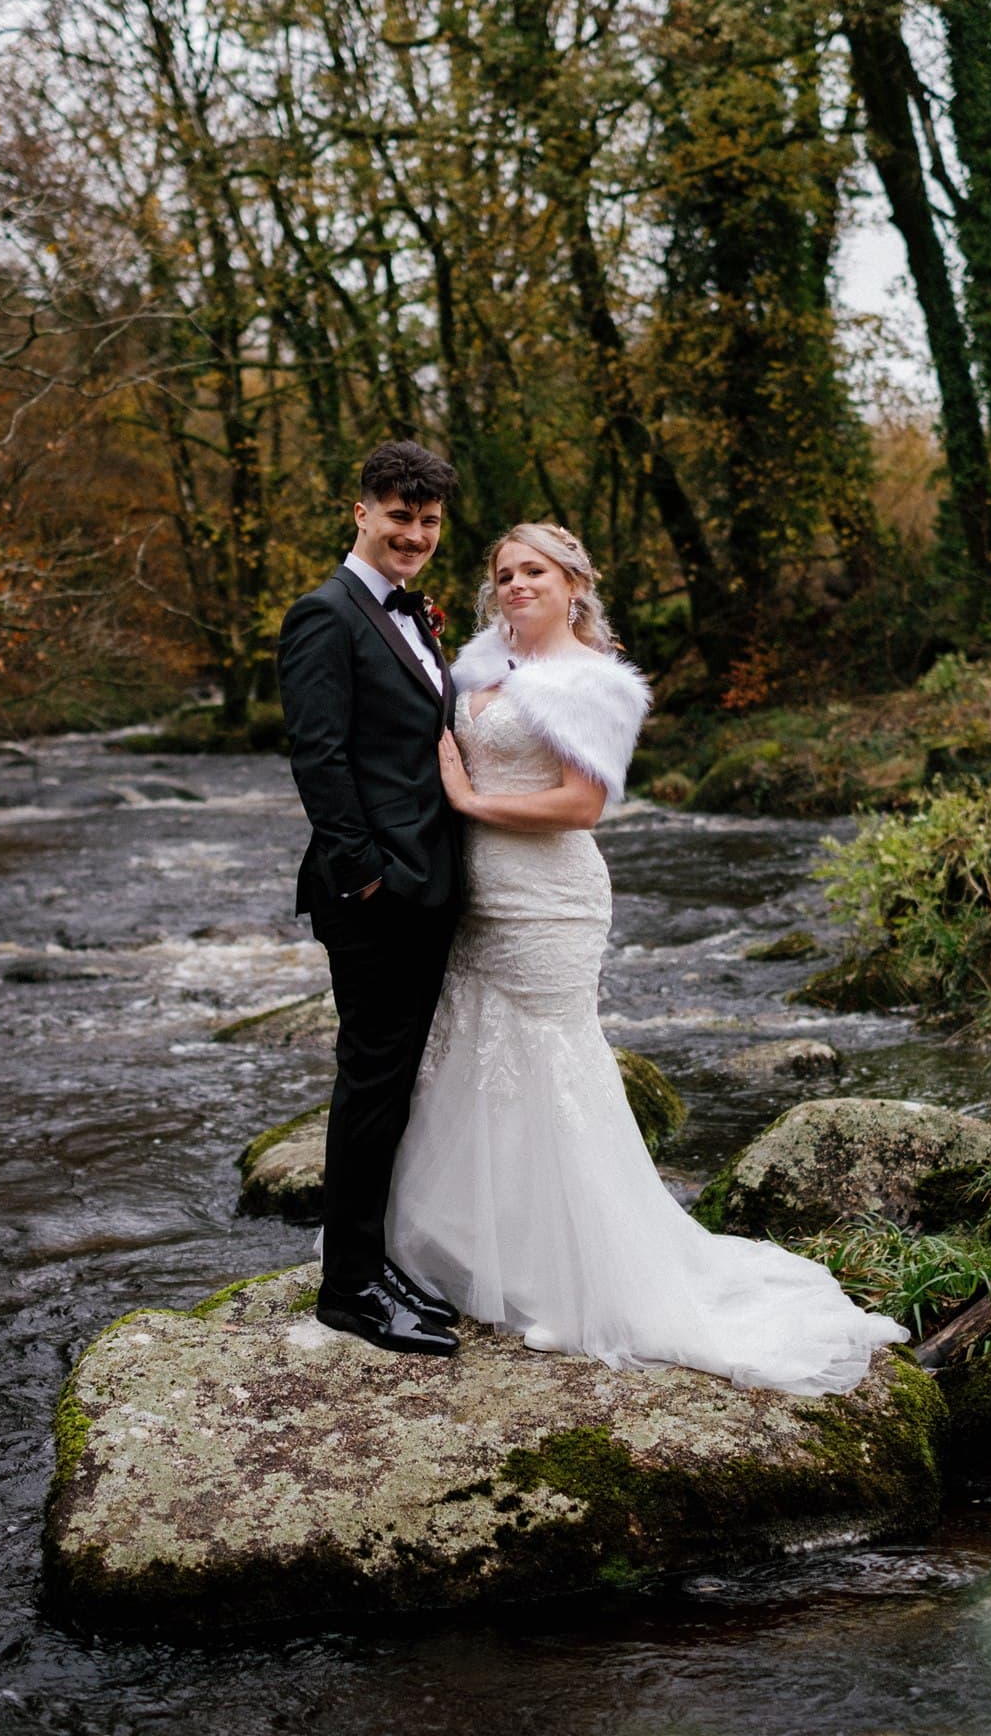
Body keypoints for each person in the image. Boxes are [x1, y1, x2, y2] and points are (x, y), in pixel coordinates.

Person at [386, 521, 908, 1396]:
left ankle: (580, 1276)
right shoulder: (476, 669)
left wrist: (467, 799)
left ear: (574, 583)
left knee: (552, 1068)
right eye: (505, 572)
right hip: (474, 896)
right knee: (476, 1055)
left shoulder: (590, 683)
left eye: (535, 572)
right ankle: (486, 1254)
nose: (516, 584)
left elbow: (579, 805)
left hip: (550, 896)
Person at [277, 441, 465, 1358]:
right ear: (361, 513)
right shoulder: (324, 614)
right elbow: (319, 756)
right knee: (369, 1084)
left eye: (428, 521)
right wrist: (364, 875)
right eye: (399, 516)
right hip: (374, 893)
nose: (414, 535)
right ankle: (347, 1287)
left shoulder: (414, 616)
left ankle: (373, 1258)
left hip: (425, 883)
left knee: (390, 1087)